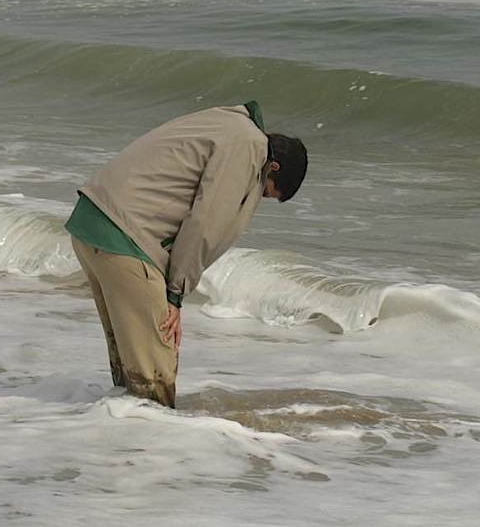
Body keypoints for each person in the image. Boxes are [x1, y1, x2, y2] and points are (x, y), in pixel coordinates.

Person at [65, 99, 308, 407]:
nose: (259, 195)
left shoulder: (226, 123)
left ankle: (115, 444)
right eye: (266, 191)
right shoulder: (248, 146)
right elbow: (206, 223)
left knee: (129, 370)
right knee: (155, 375)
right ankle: (151, 448)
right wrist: (174, 293)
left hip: (93, 224)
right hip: (126, 238)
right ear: (273, 167)